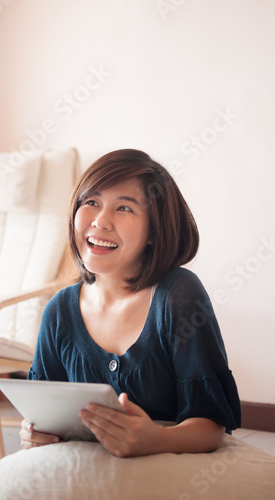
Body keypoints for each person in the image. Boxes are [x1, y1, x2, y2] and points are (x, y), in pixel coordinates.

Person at [19, 148, 241, 457]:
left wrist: (155, 440)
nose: (100, 221)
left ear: (153, 231)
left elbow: (211, 427)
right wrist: (34, 435)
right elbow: (42, 417)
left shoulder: (178, 295)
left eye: (124, 208)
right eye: (91, 202)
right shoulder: (58, 311)